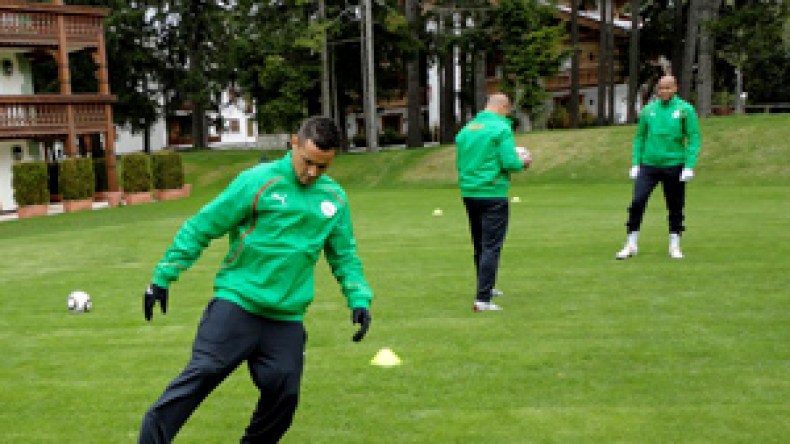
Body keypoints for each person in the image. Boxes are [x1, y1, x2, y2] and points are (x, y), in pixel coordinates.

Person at [138, 116, 373, 443]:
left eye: (323, 167)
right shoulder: (257, 182)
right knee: (202, 373)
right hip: (238, 303)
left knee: (285, 395)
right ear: (294, 143)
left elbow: (344, 255)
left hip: (285, 317)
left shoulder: (334, 199)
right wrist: (163, 277)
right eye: (308, 163)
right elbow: (202, 225)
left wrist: (359, 299)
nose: (312, 174)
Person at [455, 93, 531, 312]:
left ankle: (486, 286)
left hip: (469, 193)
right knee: (491, 246)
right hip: (493, 192)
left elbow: (462, 160)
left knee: (479, 243)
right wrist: (523, 162)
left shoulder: (467, 130)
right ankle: (483, 300)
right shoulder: (501, 129)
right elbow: (509, 162)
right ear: (503, 107)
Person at [616, 75, 701, 260]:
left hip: (674, 164)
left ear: (675, 88)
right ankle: (631, 242)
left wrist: (689, 166)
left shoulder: (685, 110)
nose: (664, 92)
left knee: (675, 206)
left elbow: (693, 137)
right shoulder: (648, 110)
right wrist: (635, 163)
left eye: (668, 88)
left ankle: (674, 243)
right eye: (661, 88)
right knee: (637, 201)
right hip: (649, 165)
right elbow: (640, 137)